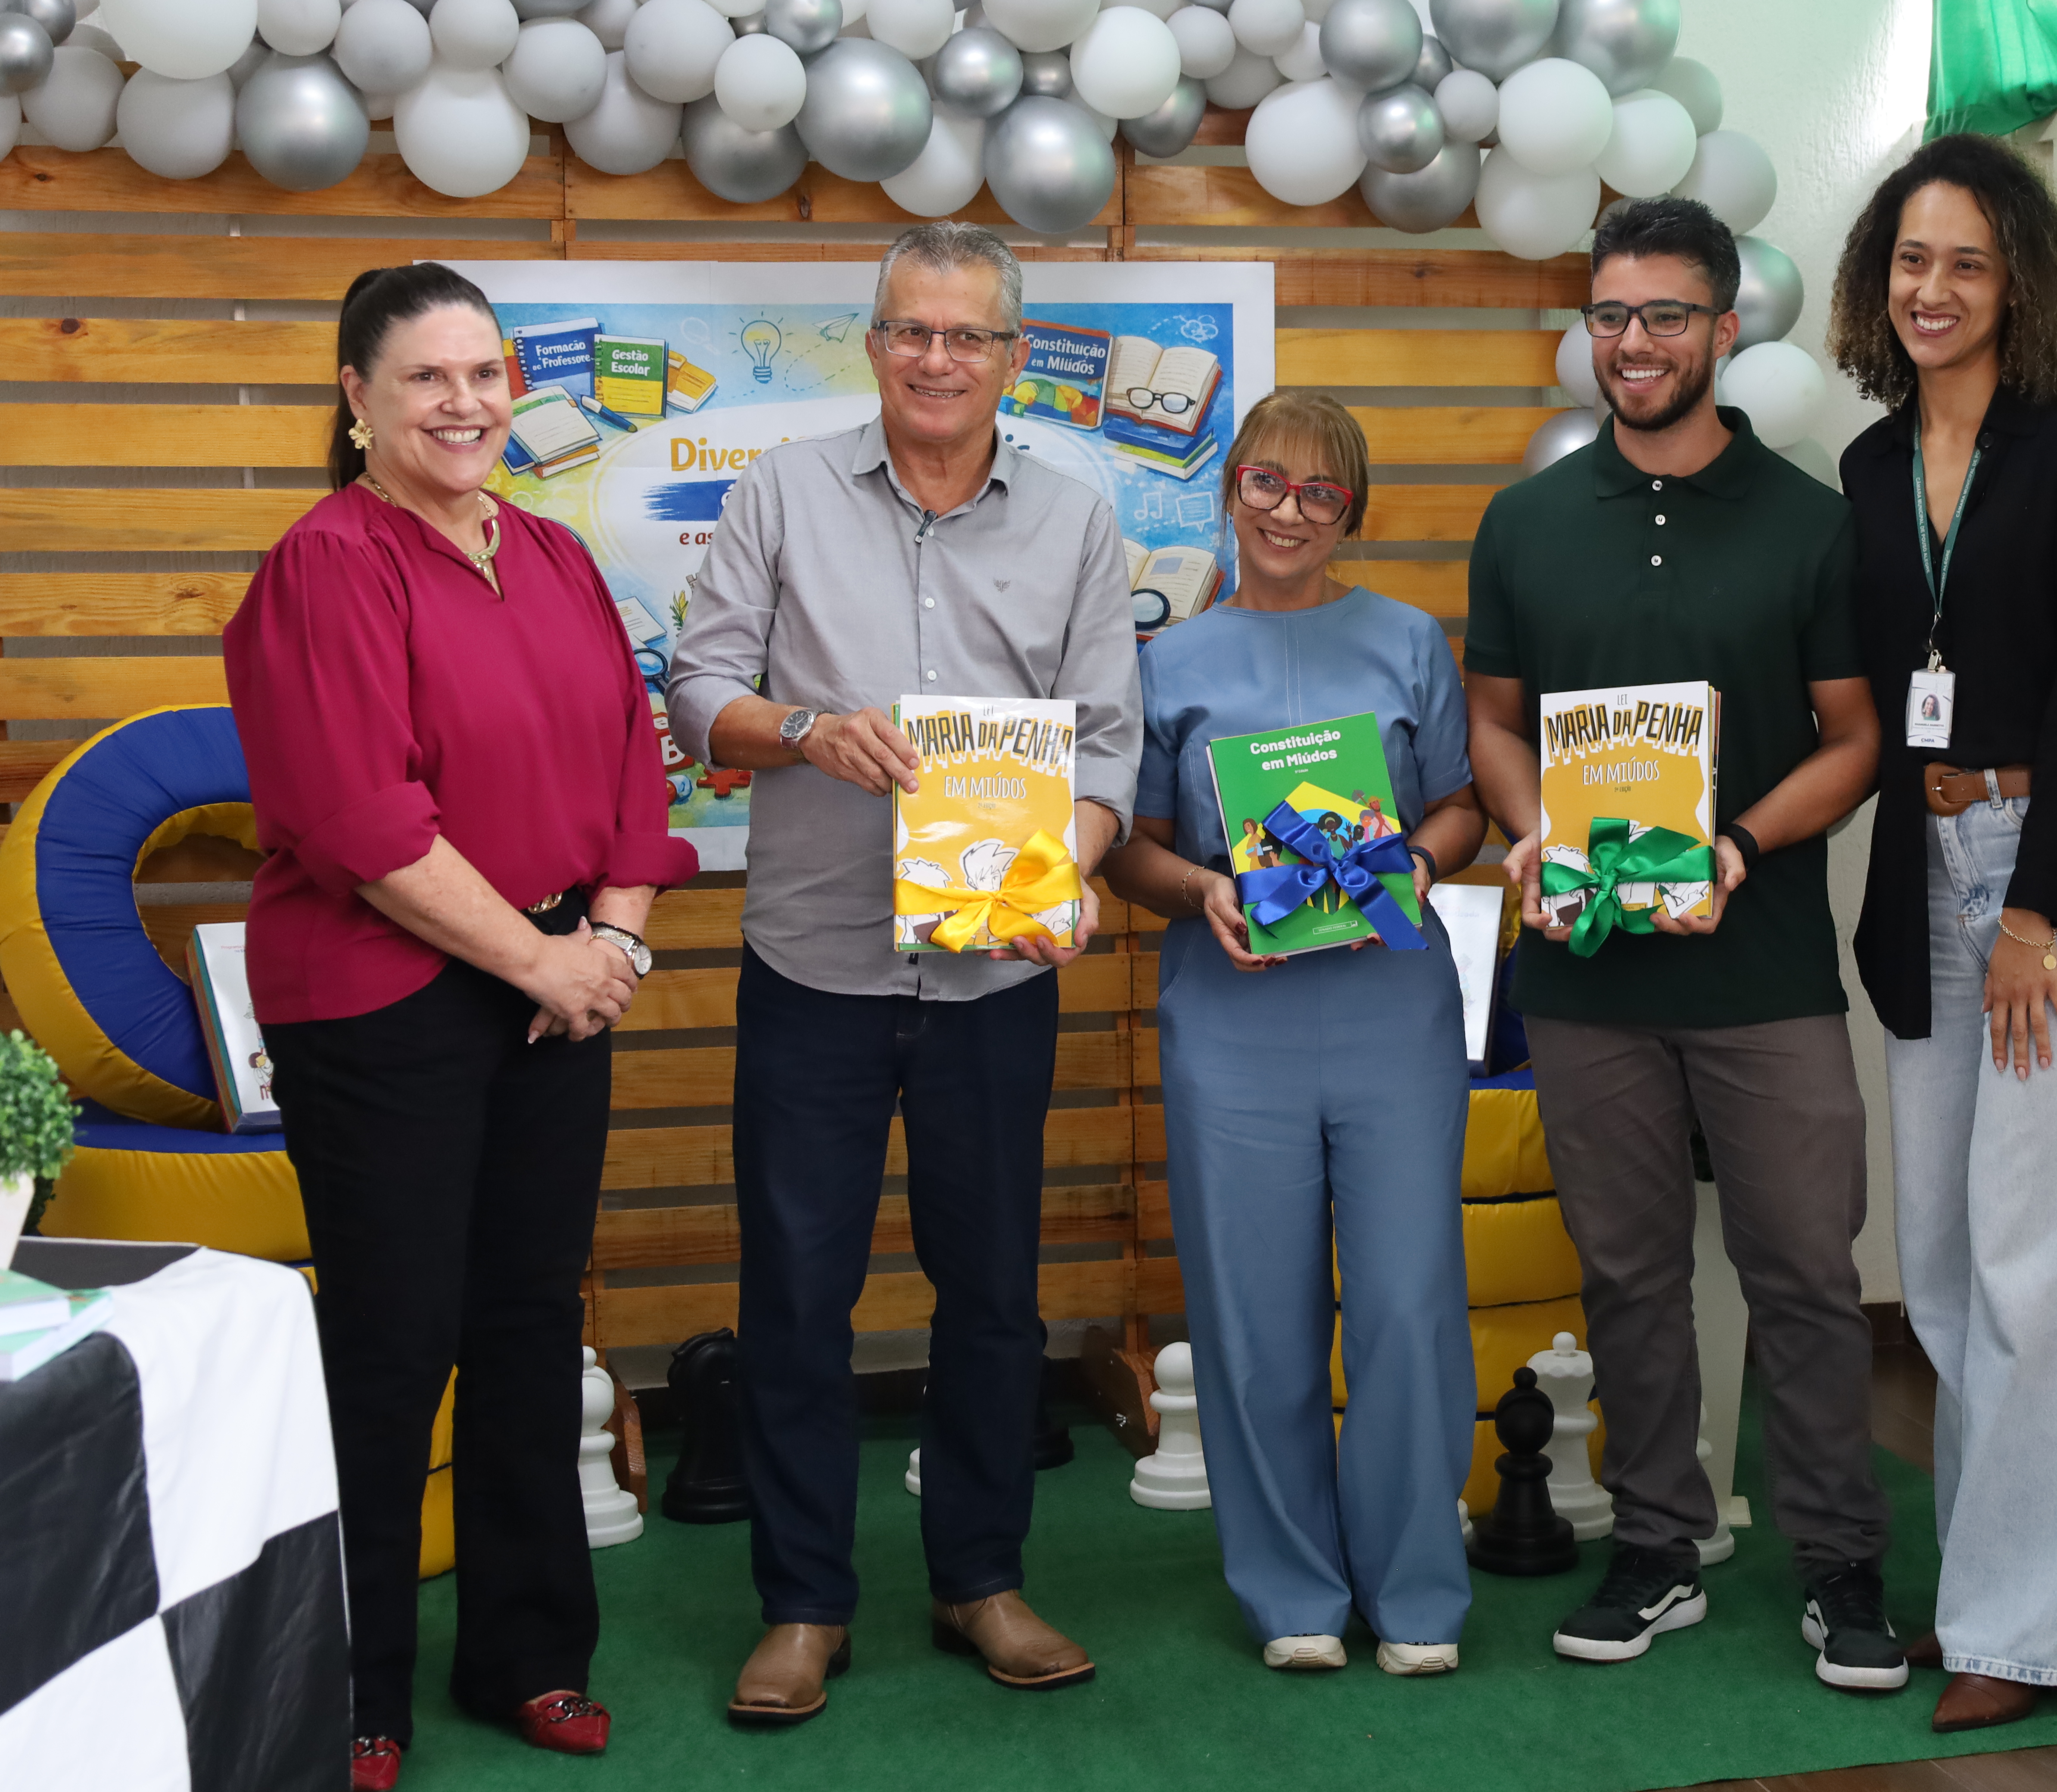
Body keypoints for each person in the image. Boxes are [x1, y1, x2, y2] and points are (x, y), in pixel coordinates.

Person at [225, 263, 698, 1791]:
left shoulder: (557, 558)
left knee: (521, 1327)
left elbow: (637, 769)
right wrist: (546, 965)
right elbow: (366, 818)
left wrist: (612, 936)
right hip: (386, 1009)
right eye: (426, 378)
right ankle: (351, 1688)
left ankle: (532, 1656)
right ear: (355, 402)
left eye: (486, 373)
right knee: (391, 1346)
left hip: (561, 994)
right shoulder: (324, 566)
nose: (466, 403)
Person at [663, 222, 1141, 1723]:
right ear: (871, 345)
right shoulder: (781, 493)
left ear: (1012, 358)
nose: (938, 359)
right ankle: (805, 1605)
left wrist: (1062, 864)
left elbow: (1109, 743)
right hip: (810, 964)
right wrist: (804, 730)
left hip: (995, 977)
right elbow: (696, 696)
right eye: (910, 332)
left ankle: (980, 1580)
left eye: (969, 337)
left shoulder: (1076, 520)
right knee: (798, 1296)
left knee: (993, 1293)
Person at [1463, 196, 1905, 1688]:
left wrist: (1739, 845)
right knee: (1631, 1274)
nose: (1633, 343)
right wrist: (1527, 832)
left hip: (1761, 970)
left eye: (1664, 316)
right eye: (1609, 315)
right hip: (1586, 976)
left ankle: (1843, 1564)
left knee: (1802, 1272)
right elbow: (1493, 728)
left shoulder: (1810, 522)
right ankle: (1659, 1547)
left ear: (1725, 329)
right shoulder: (1525, 523)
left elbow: (1858, 742)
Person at [1828, 133, 2057, 1733]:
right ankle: (1977, 1591)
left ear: (2017, 278)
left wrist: (2041, 909)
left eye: (1967, 261)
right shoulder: (1868, 466)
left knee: (2047, 1267)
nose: (1935, 289)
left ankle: (2027, 1636)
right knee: (1954, 1271)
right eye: (1912, 260)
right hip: (1927, 874)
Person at [1101, 393, 1487, 1677]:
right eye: (1267, 483)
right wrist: (1200, 889)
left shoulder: (1408, 642)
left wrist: (1417, 869)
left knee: (1409, 1300)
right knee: (1254, 1313)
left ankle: (1419, 1588)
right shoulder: (1167, 662)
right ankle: (1293, 1595)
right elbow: (1135, 853)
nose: (1287, 512)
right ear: (1229, 491)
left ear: (1352, 517)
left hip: (1392, 1009)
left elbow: (1459, 806)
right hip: (1233, 1020)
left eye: (1320, 494)